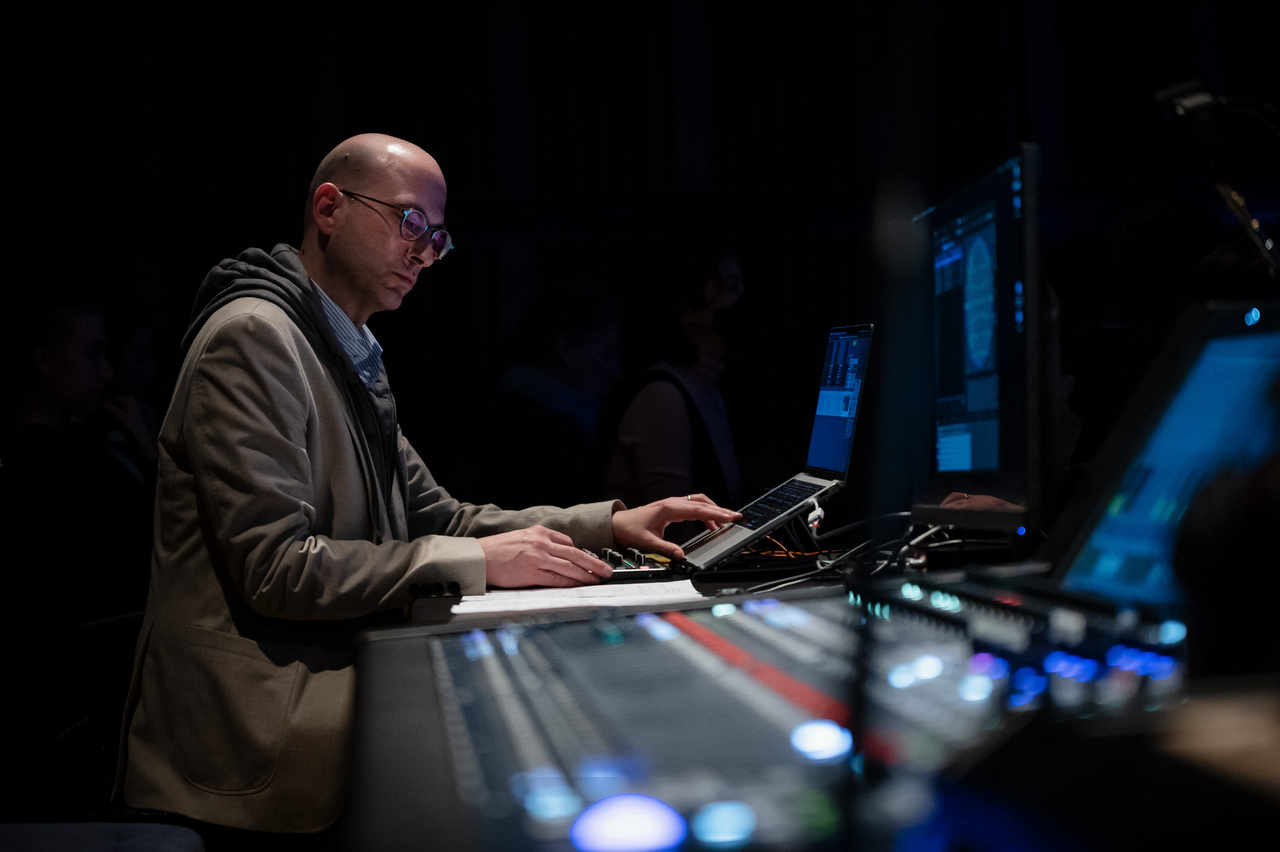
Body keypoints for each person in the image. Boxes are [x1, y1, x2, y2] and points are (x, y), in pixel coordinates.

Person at [113, 134, 738, 839]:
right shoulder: (254, 337)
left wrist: (607, 526)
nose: (425, 252)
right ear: (328, 208)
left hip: (315, 684)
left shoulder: (345, 347)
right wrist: (477, 563)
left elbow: (439, 516)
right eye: (411, 223)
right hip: (251, 742)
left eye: (437, 237)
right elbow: (275, 567)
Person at [604, 247, 745, 540]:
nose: (741, 296)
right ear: (687, 308)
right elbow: (677, 531)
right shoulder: (663, 397)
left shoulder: (708, 388)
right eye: (728, 286)